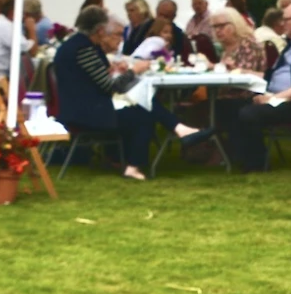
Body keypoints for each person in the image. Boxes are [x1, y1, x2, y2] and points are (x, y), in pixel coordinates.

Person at [52, 9, 208, 180]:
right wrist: (134, 70)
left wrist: (113, 70)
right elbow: (110, 87)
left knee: (141, 106)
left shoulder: (76, 45)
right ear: (100, 30)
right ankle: (134, 165)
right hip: (86, 112)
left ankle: (178, 131)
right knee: (143, 114)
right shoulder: (84, 49)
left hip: (77, 107)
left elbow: (89, 78)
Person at [229, 3, 291, 172]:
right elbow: (270, 76)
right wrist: (242, 72)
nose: (282, 23)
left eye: (286, 19)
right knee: (229, 105)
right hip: (276, 96)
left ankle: (255, 163)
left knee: (249, 113)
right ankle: (235, 157)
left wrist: (273, 99)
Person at [209, 8, 266, 75]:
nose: (217, 30)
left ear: (235, 24)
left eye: (221, 26)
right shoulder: (226, 46)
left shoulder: (249, 45)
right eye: (215, 27)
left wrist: (212, 66)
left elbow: (243, 76)